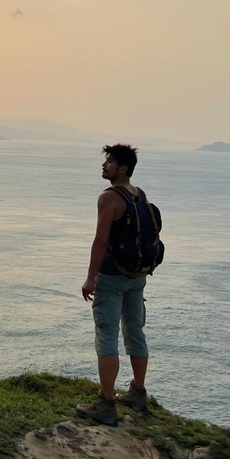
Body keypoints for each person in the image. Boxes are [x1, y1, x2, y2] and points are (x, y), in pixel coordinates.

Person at [75, 143, 154, 426]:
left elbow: (101, 240)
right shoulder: (139, 195)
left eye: (109, 161)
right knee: (135, 331)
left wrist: (90, 277)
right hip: (137, 277)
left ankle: (106, 403)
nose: (104, 165)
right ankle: (137, 392)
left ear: (123, 168)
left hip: (112, 277)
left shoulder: (109, 198)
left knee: (106, 334)